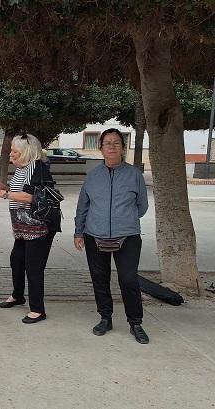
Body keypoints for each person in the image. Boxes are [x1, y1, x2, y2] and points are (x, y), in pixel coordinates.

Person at [74, 128, 150, 344]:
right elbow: (83, 206)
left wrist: (123, 219)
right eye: (108, 143)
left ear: (123, 148)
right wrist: (79, 231)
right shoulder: (92, 176)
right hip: (94, 235)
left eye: (117, 143)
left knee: (128, 279)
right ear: (101, 148)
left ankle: (135, 322)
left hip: (128, 236)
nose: (112, 147)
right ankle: (105, 318)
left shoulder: (134, 174)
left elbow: (141, 206)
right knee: (100, 278)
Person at [0, 133, 60, 324]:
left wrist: (2, 193)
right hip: (23, 226)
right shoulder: (21, 169)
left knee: (33, 266)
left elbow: (31, 197)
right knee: (17, 260)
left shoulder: (37, 167)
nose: (10, 154)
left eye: (14, 151)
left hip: (39, 226)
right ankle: (18, 295)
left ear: (27, 152)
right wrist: (3, 186)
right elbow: (17, 191)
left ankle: (38, 309)